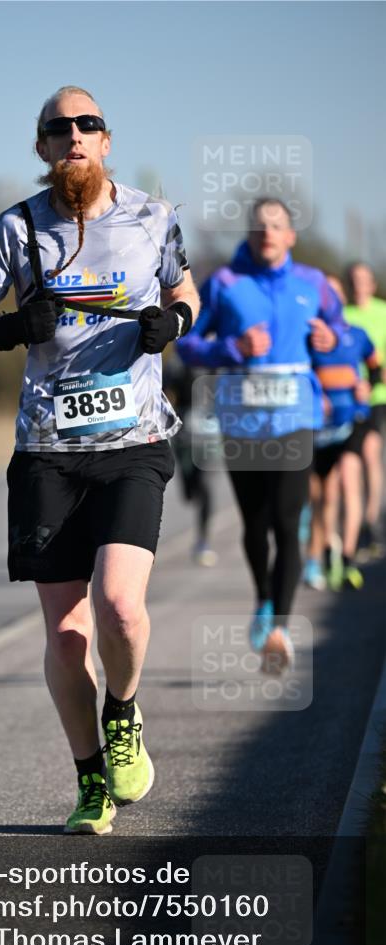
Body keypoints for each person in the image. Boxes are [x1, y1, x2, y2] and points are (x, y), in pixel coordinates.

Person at [0, 86, 199, 835]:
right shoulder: (17, 230)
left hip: (133, 445)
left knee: (120, 606)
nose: (74, 136)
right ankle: (91, 779)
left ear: (106, 140)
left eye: (87, 124)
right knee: (65, 635)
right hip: (47, 455)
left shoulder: (153, 217)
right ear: (43, 147)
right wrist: (8, 329)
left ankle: (122, 712)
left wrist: (172, 321)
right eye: (59, 129)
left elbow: (187, 291)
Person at [176, 199, 341, 670]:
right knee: (255, 524)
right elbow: (188, 344)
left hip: (295, 419)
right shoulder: (226, 283)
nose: (266, 232)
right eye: (258, 226)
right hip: (242, 422)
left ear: (291, 235)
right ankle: (264, 598)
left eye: (276, 225)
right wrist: (233, 347)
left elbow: (344, 334)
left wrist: (333, 341)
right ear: (248, 235)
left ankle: (280, 628)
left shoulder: (313, 284)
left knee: (288, 522)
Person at [305, 274, 382, 591]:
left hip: (354, 420)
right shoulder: (307, 337)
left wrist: (369, 385)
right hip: (320, 427)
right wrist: (314, 395)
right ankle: (325, 554)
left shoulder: (357, 335)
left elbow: (375, 367)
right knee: (325, 495)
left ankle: (349, 559)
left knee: (350, 480)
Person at [343, 262, 386, 558]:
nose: (360, 284)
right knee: (349, 464)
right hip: (347, 397)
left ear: (372, 284)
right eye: (355, 280)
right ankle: (355, 522)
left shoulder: (382, 313)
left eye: (364, 279)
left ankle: (371, 521)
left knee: (371, 453)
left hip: (377, 395)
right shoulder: (343, 316)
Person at [163, 347, 219, 566]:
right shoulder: (178, 358)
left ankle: (203, 540)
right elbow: (165, 390)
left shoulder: (219, 356)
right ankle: (192, 490)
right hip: (185, 435)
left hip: (211, 433)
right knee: (190, 492)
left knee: (206, 485)